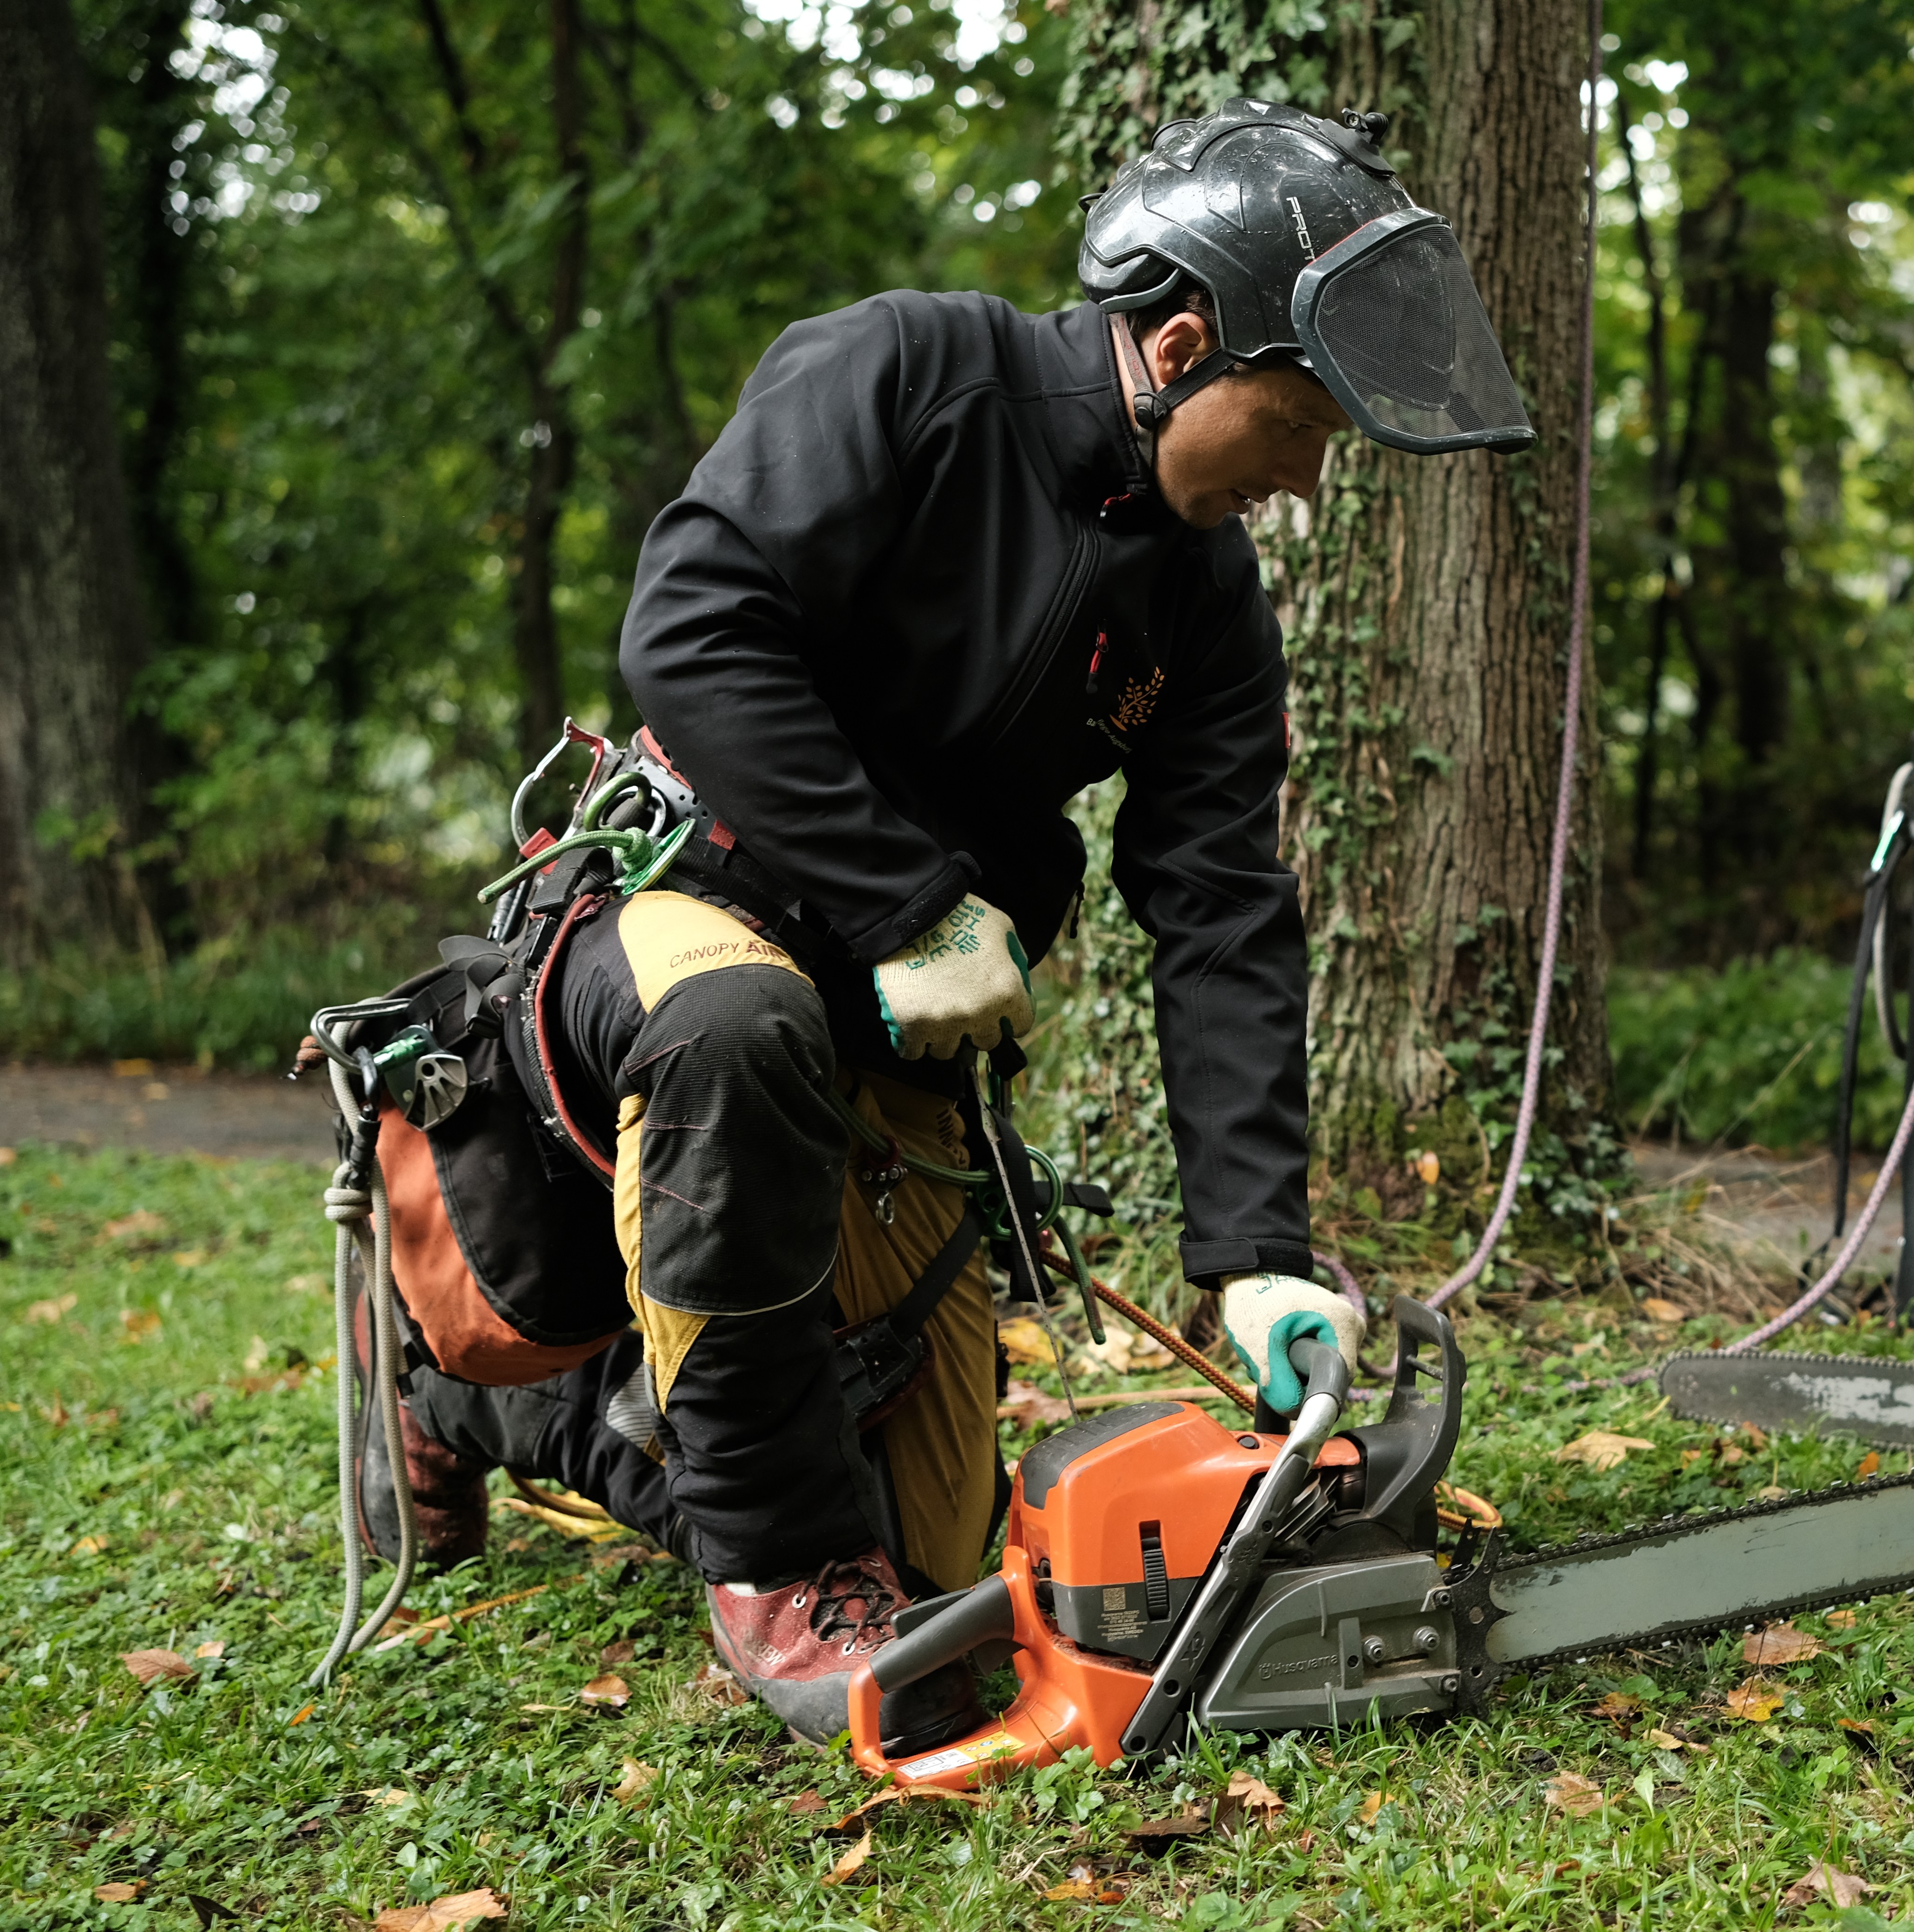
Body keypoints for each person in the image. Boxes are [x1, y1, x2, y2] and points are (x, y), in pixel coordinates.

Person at [365, 97, 1536, 1746]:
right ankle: (736, 1561)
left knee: (926, 1551)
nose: (1305, 473)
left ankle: (588, 1428)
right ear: (1184, 342)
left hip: (882, 1039)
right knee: (738, 1026)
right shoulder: (910, 372)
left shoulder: (1204, 601)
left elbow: (1218, 909)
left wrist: (1259, 1255)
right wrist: (913, 905)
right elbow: (691, 630)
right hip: (670, 931)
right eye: (1294, 423)